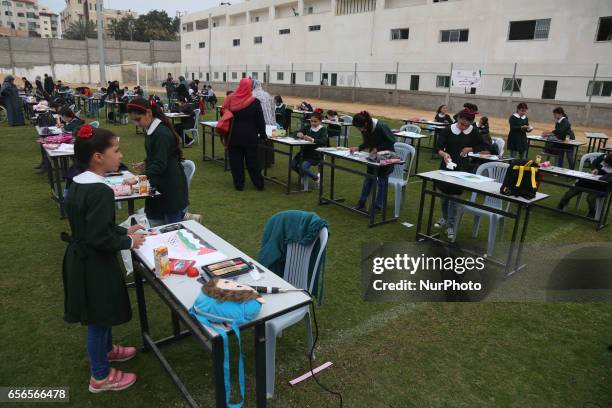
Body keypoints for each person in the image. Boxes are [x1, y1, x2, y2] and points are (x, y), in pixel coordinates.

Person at [62, 124, 145, 393]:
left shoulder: (77, 182)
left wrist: (123, 229)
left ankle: (107, 350)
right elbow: (99, 238)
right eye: (116, 150)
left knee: (103, 310)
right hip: (93, 263)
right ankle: (100, 376)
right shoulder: (100, 190)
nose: (120, 155)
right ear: (98, 156)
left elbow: (90, 226)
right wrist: (129, 241)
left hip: (82, 257)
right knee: (98, 318)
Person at [126, 98, 188, 225]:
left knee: (171, 229)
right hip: (158, 184)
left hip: (170, 187)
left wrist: (138, 178)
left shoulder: (161, 133)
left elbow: (160, 164)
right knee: (155, 223)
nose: (137, 124)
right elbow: (157, 155)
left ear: (149, 113)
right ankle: (185, 216)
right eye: (133, 120)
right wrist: (146, 163)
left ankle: (184, 217)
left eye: (138, 119)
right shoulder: (152, 130)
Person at [435, 108, 486, 240]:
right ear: (458, 119)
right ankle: (445, 217)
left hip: (462, 167)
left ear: (470, 123)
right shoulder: (448, 130)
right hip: (447, 165)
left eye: (466, 125)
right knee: (444, 196)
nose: (463, 127)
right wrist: (444, 154)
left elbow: (483, 145)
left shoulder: (473, 131)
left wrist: (470, 148)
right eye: (461, 124)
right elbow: (438, 147)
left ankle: (450, 225)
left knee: (454, 198)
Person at [223, 78, 267, 191]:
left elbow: (224, 115)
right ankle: (258, 184)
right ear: (250, 87)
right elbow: (260, 121)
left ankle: (239, 184)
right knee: (252, 161)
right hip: (250, 136)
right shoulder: (255, 102)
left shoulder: (230, 99)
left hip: (234, 135)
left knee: (236, 161)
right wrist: (263, 135)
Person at [350, 111, 396, 212]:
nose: (359, 130)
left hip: (386, 157)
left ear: (365, 124)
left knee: (382, 181)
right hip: (373, 157)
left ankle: (378, 207)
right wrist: (358, 148)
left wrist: (377, 148)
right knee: (368, 179)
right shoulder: (365, 128)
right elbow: (367, 142)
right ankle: (361, 203)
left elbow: (391, 141)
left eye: (359, 128)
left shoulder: (381, 126)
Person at [558, 153, 612, 218]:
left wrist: (604, 177)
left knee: (590, 197)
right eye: (604, 162)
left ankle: (592, 211)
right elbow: (593, 164)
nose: (604, 164)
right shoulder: (603, 156)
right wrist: (595, 169)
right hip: (591, 180)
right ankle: (562, 203)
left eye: (607, 164)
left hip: (603, 186)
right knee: (574, 189)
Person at [290, 112, 328, 186]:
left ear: (320, 121)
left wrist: (312, 140)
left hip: (315, 154)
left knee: (303, 166)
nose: (313, 123)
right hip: (304, 152)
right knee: (292, 165)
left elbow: (324, 141)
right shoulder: (307, 127)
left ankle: (316, 178)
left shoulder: (323, 129)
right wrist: (298, 134)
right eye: (311, 121)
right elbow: (295, 132)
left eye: (315, 121)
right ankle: (304, 175)